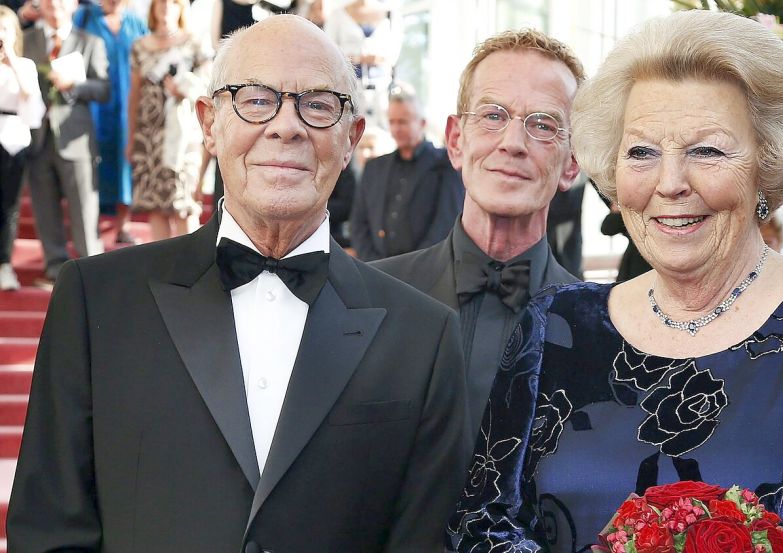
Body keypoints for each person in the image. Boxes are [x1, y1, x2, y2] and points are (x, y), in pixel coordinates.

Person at [448, 10, 783, 552]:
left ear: (767, 165)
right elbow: (483, 529)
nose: (671, 183)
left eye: (706, 150)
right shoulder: (557, 327)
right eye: (642, 153)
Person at [9, 14, 469, 553]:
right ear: (209, 122)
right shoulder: (96, 300)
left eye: (318, 104)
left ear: (352, 139)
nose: (286, 126)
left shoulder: (424, 336)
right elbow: (48, 531)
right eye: (255, 98)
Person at [373, 29, 582, 436]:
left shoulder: (594, 329)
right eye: (492, 116)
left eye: (542, 125)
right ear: (455, 141)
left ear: (571, 163)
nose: (513, 143)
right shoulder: (372, 298)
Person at [21, 0, 108, 287]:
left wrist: (75, 86)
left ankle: (91, 271)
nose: (54, 5)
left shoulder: (90, 42)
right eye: (48, 0)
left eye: (61, 1)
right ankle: (55, 269)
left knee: (84, 208)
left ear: (73, 5)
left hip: (76, 137)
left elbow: (104, 89)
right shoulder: (27, 40)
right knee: (44, 208)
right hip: (37, 138)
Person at [349, 87, 464, 261]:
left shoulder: (446, 166)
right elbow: (358, 223)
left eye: (403, 122)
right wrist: (374, 265)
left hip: (423, 272)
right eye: (392, 122)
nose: (396, 128)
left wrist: (410, 268)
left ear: (422, 123)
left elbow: (445, 225)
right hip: (374, 270)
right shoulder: (374, 168)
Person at [127, 0, 209, 241]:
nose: (165, 7)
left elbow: (210, 84)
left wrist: (185, 89)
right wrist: (130, 138)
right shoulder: (140, 46)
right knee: (155, 204)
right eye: (160, 2)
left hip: (184, 135)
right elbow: (134, 95)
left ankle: (193, 270)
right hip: (149, 135)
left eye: (172, 2)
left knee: (183, 202)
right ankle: (163, 272)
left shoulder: (194, 42)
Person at [74, 0, 147, 244]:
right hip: (92, 106)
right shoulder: (85, 18)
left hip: (128, 106)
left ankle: (122, 225)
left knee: (125, 163)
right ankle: (89, 223)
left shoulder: (136, 23)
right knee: (91, 164)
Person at [0, 5, 43, 290]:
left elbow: (30, 95)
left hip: (13, 139)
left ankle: (4, 263)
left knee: (9, 206)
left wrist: (11, 57)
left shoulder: (25, 65)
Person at [322, 0, 401, 129]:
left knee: (384, 130)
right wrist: (358, 58)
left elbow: (393, 55)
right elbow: (328, 52)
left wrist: (378, 59)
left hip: (382, 90)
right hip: (348, 87)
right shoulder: (337, 15)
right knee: (348, 127)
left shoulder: (391, 15)